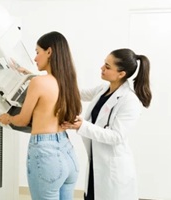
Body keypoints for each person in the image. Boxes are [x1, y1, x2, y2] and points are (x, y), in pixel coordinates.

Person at [0, 31, 82, 200]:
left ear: (49, 52)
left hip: (46, 155)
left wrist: (7, 118)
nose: (35, 58)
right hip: (68, 153)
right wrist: (29, 74)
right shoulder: (67, 81)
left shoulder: (38, 83)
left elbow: (22, 120)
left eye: (37, 52)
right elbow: (49, 88)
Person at [61, 48, 152, 200]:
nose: (102, 68)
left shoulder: (130, 101)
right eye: (104, 63)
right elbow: (78, 93)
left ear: (121, 74)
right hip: (96, 164)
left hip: (113, 170)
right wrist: (47, 79)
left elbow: (116, 136)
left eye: (108, 67)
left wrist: (81, 125)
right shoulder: (104, 89)